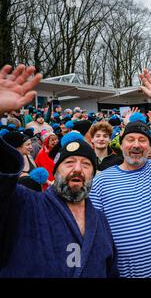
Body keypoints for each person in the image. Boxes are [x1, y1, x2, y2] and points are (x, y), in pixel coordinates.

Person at [0, 64, 118, 277]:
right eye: (69, 162)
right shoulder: (25, 205)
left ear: (93, 173)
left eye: (86, 164)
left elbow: (111, 271)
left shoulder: (100, 220)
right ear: (55, 171)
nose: (77, 169)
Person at [90, 68, 151, 278]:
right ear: (121, 144)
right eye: (130, 139)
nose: (136, 145)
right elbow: (93, 229)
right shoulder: (101, 181)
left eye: (142, 140)